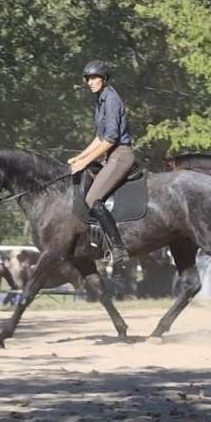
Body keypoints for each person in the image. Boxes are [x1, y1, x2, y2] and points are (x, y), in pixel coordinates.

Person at [68, 60, 135, 269]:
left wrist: (85, 161)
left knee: (92, 198)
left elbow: (111, 140)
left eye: (94, 78)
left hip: (121, 155)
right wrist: (80, 157)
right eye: (88, 78)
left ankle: (118, 248)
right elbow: (99, 137)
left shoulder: (112, 100)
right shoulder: (101, 100)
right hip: (110, 155)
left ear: (104, 79)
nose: (90, 82)